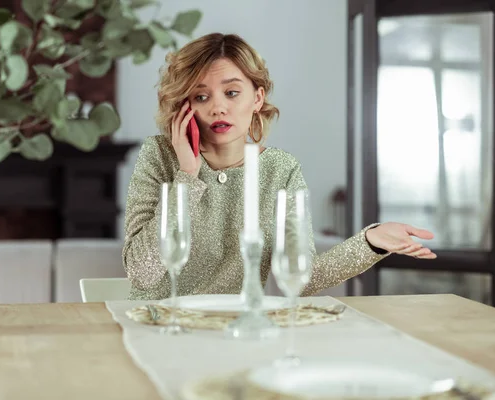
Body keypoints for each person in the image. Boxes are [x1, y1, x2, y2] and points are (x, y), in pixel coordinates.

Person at [122, 33, 436, 301]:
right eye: (201, 96)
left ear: (257, 98)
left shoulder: (280, 169)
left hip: (236, 331)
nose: (218, 107)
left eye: (232, 93)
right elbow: (141, 273)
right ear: (185, 105)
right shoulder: (159, 155)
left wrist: (371, 241)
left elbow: (305, 277)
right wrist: (187, 177)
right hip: (160, 327)